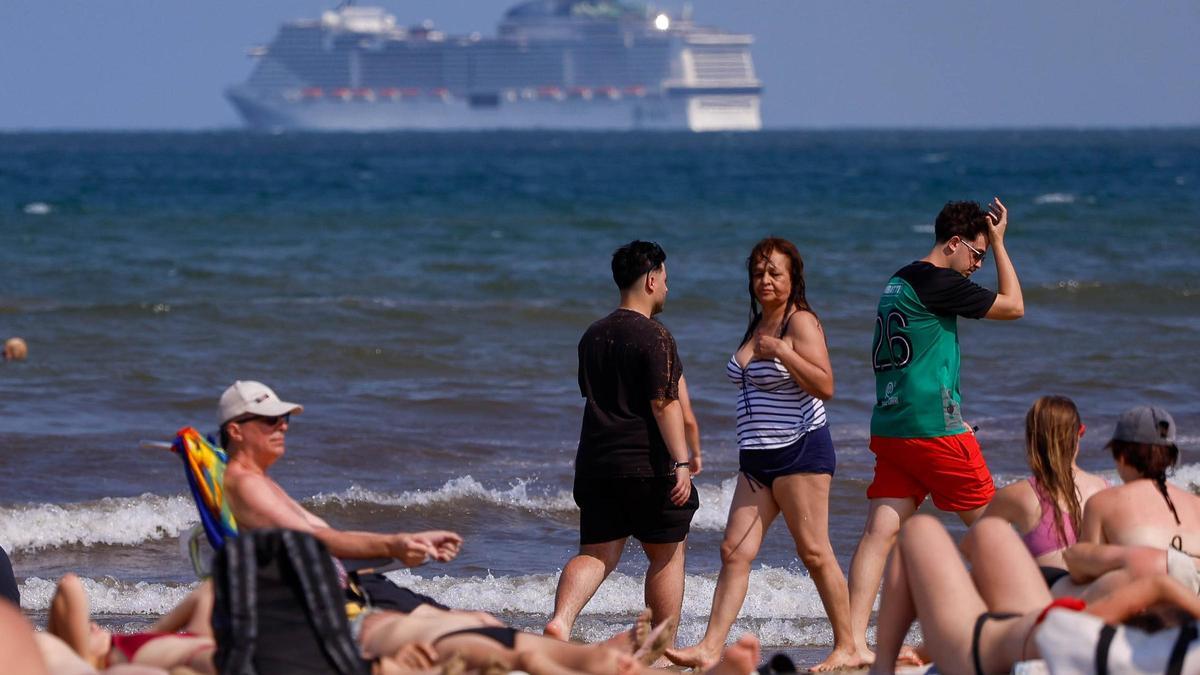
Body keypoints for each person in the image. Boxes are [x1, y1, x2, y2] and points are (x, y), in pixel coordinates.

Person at [847, 197, 1024, 663]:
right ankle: (1017, 632)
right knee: (996, 533)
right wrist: (1003, 244)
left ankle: (850, 644)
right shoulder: (940, 282)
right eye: (977, 255)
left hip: (890, 425)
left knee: (878, 535)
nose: (977, 266)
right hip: (933, 430)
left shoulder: (898, 280)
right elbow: (1014, 306)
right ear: (953, 244)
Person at [668, 237, 854, 671]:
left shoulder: (800, 322)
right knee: (734, 551)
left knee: (813, 551)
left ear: (793, 278)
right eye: (758, 272)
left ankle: (849, 644)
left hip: (800, 450)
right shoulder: (759, 324)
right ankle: (710, 648)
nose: (765, 280)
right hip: (756, 459)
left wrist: (786, 353)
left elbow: (826, 385)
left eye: (774, 273)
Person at [544, 240, 700, 644]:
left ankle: (561, 621)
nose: (667, 287)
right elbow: (664, 405)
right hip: (646, 466)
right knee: (666, 552)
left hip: (596, 464)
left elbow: (596, 397)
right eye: (665, 279)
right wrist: (681, 463)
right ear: (651, 280)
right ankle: (660, 649)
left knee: (596, 554)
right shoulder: (656, 336)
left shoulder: (592, 336)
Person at [218, 380, 466, 616]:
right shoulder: (247, 483)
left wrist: (410, 541)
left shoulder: (260, 481)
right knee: (476, 625)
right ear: (235, 431)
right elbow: (317, 541)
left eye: (284, 418)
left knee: (476, 621)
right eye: (271, 420)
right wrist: (393, 546)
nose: (283, 426)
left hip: (352, 582)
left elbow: (326, 535)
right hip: (338, 598)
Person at [870, 515, 1200, 675]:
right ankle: (933, 633)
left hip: (981, 651)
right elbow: (1155, 588)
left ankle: (882, 668)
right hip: (1037, 622)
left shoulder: (1129, 653)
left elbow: (1156, 587)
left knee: (918, 531)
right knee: (991, 530)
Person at [973, 395, 1109, 591]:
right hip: (1093, 603)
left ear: (1032, 439)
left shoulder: (1017, 495)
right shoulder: (1105, 491)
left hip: (1042, 605)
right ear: (1079, 434)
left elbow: (974, 548)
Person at [1063, 406, 1200, 595]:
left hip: (1142, 603)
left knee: (1062, 583)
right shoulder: (1197, 503)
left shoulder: (1103, 502)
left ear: (1122, 455)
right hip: (1192, 602)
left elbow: (1081, 575)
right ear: (1170, 455)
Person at [47, 573, 217, 672]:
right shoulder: (111, 661)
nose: (92, 625)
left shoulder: (127, 645)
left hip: (196, 640)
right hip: (202, 658)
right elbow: (69, 584)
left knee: (213, 585)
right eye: (86, 632)